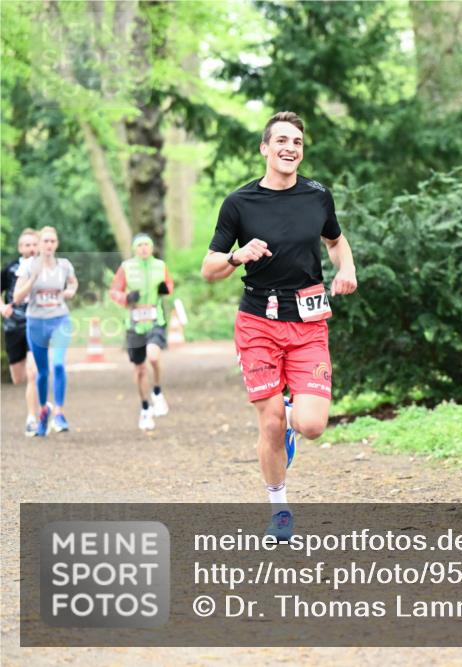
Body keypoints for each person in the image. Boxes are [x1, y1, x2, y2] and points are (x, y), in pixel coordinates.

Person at [202, 111, 357, 540]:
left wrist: (346, 267)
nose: (290, 148)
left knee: (312, 426)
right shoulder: (239, 203)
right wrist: (237, 256)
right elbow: (209, 268)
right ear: (265, 148)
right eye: (282, 141)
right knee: (269, 422)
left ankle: (291, 414)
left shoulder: (317, 196)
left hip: (308, 322)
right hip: (258, 323)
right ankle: (280, 509)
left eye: (297, 142)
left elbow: (335, 240)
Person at [13, 226, 79, 436]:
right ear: (39, 244)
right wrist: (33, 279)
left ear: (56, 244)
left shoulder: (64, 265)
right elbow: (16, 297)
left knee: (58, 364)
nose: (49, 245)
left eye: (52, 241)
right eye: (45, 241)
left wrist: (70, 291)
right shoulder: (28, 267)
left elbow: (73, 283)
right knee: (42, 372)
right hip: (36, 322)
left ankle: (59, 413)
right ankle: (43, 411)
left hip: (60, 320)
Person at [109, 233, 174, 430]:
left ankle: (157, 391)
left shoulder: (160, 266)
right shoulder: (127, 267)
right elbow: (114, 291)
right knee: (140, 369)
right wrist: (127, 298)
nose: (144, 248)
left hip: (155, 320)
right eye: (140, 245)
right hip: (134, 324)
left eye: (147, 244)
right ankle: (145, 408)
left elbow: (169, 284)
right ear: (134, 249)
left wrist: (165, 288)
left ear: (152, 248)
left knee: (153, 357)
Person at [1, 228, 41, 436]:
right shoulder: (10, 269)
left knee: (33, 373)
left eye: (34, 244)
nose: (31, 248)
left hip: (36, 323)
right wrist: (2, 308)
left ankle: (32, 418)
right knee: (18, 378)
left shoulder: (45, 267)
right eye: (27, 245)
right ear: (20, 248)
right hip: (14, 324)